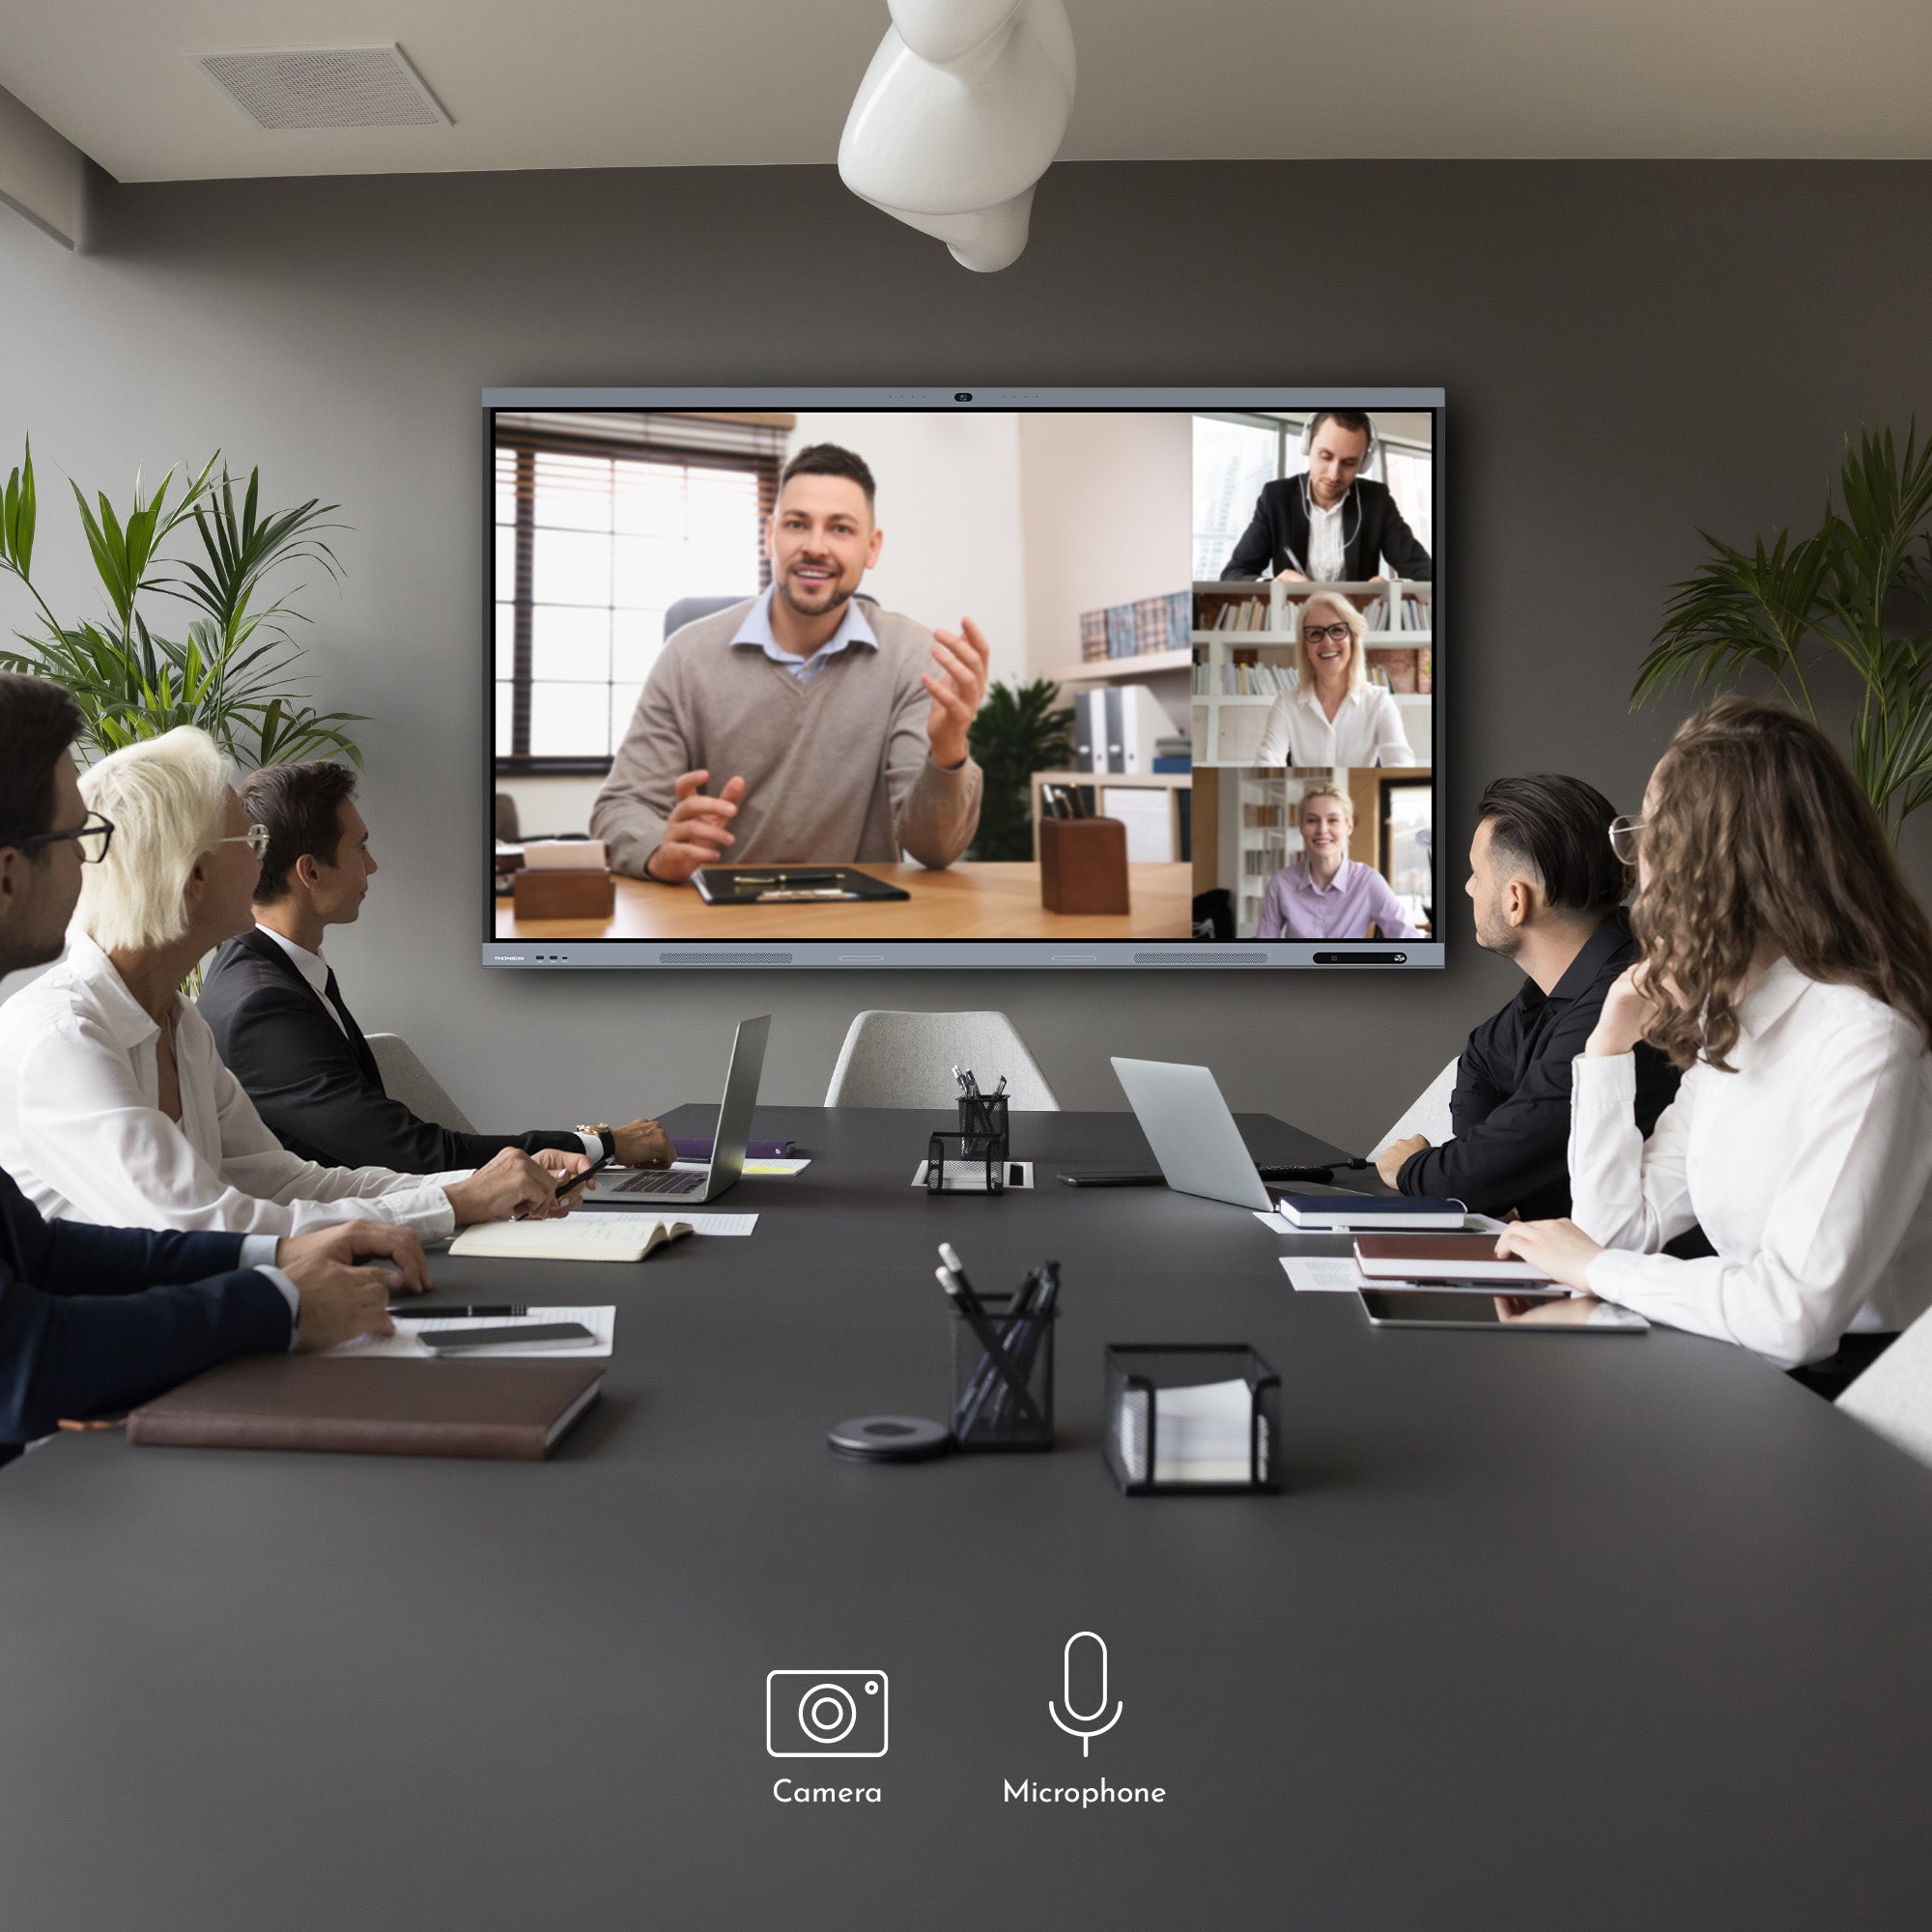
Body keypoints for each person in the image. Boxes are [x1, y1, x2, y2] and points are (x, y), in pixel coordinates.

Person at [0, 674, 421, 1463]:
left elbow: (52, 1256)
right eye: (75, 840)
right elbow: (23, 1361)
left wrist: (277, 1259)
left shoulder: (180, 1022)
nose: (94, 863)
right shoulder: (54, 1037)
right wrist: (282, 1300)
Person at [1497, 698, 1932, 1386]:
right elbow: (1619, 1231)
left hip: (1854, 1403)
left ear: (1723, 864)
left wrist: (1595, 1268)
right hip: (1747, 1370)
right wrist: (1608, 1041)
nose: (1637, 867)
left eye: (1653, 837)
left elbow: (1793, 1319)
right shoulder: (1737, 1020)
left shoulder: (1869, 1040)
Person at [0, 726, 580, 1240]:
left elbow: (289, 1183)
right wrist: (457, 1201)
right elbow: (202, 1225)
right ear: (193, 875)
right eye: (250, 843)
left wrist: (496, 1183)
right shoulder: (62, 1039)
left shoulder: (180, 1025)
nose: (263, 863)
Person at [199, 761, 675, 1176]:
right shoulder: (263, 1004)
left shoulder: (279, 969)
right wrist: (603, 1144)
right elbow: (415, 1154)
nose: (373, 866)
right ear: (311, 872)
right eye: (360, 848)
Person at [590, 442, 990, 882]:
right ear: (769, 536)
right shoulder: (687, 656)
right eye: (797, 524)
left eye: (841, 529)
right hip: (723, 925)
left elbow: (935, 849)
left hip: (861, 927)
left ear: (872, 549)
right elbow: (619, 807)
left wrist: (949, 749)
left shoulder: (914, 657)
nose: (815, 547)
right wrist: (659, 851)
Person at [1376, 775, 1679, 1219]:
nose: (1468, 888)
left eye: (1476, 874)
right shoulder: (1550, 998)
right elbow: (1480, 1066)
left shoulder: (1626, 1002)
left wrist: (1411, 1168)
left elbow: (1470, 1180)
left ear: (1516, 901)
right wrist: (1493, 1175)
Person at [1218, 410, 1433, 583]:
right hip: (1294, 621)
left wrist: (1392, 589)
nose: (1334, 475)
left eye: (1349, 463)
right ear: (1307, 446)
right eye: (1325, 457)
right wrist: (1272, 586)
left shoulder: (1377, 501)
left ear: (1363, 464)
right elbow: (1233, 574)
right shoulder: (1276, 497)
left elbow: (1424, 571)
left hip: (1355, 624)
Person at [1252, 592, 1415, 768]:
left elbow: (1401, 764)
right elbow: (1266, 762)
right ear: (1305, 647)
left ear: (1352, 640)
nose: (1327, 641)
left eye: (1337, 630)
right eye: (1315, 633)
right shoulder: (1286, 703)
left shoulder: (1379, 702)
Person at [1256, 782, 1419, 940]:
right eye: (1312, 820)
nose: (1322, 830)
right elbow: (1263, 949)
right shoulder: (1281, 883)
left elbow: (1409, 940)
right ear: (1301, 827)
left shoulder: (1368, 882)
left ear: (1348, 827)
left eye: (1333, 820)